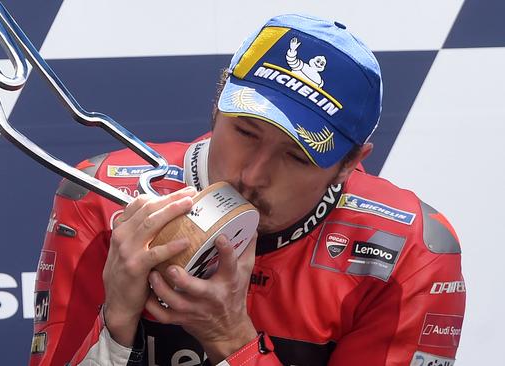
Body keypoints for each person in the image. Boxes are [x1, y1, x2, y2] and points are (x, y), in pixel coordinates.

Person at [29, 14, 465, 366]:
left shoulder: (408, 251)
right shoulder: (104, 198)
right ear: (218, 103)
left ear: (349, 164)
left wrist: (231, 339)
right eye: (246, 133)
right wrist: (115, 323)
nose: (253, 175)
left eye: (296, 156)